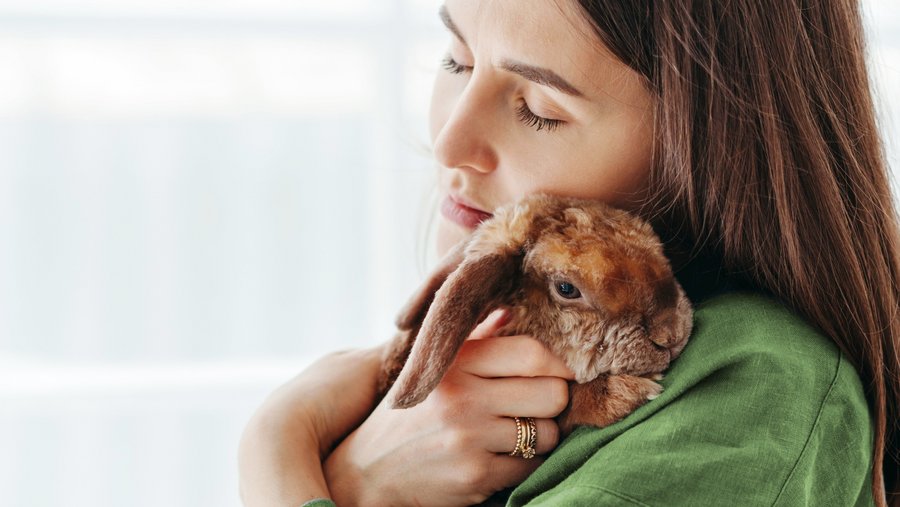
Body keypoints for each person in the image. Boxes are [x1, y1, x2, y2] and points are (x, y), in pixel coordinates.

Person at [238, 0, 900, 505]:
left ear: (712, 150)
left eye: (538, 108)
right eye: (457, 60)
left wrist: (278, 446)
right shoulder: (512, 341)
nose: (449, 143)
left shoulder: (756, 393)